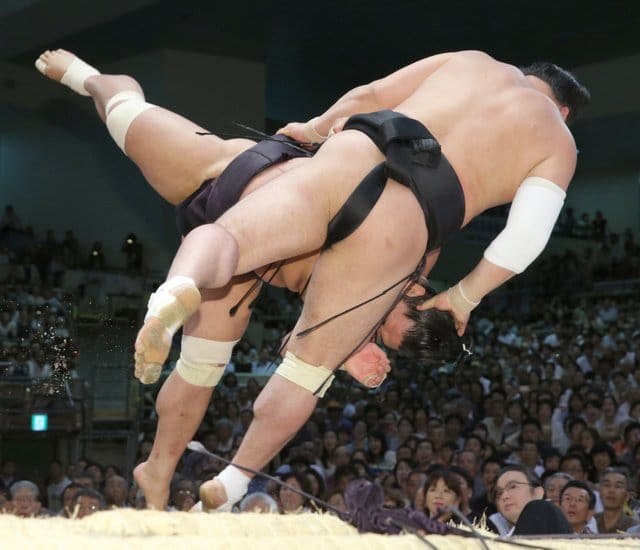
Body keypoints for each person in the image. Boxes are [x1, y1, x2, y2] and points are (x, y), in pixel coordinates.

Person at [38, 48, 590, 512]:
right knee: (304, 372)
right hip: (402, 220)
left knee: (209, 227)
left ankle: (171, 302)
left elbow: (369, 94)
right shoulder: (555, 143)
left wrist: (314, 128)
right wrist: (465, 297)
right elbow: (524, 240)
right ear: (562, 111)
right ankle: (234, 480)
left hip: (335, 158)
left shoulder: (473, 61)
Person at [494, 465, 572, 536]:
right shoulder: (504, 539)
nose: (504, 496)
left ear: (537, 493)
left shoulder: (544, 508)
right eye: (500, 493)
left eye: (512, 487)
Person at [594, 467, 639, 533]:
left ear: (627, 496)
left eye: (618, 486)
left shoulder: (635, 528)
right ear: (599, 492)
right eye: (607, 485)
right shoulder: (590, 523)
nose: (611, 490)